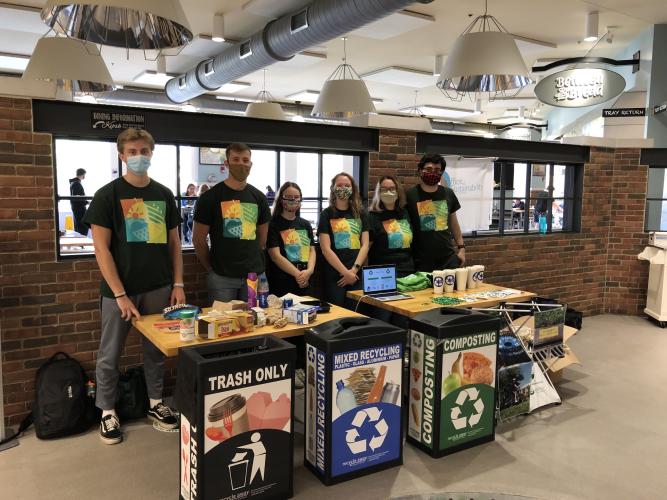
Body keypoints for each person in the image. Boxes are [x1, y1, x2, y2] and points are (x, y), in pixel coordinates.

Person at [83, 128, 184, 445]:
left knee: (156, 351)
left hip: (159, 288)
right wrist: (121, 294)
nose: (139, 156)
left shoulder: (164, 194)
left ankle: (156, 404)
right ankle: (107, 412)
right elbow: (102, 249)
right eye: (133, 151)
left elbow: (175, 244)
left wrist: (178, 283)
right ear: (122, 155)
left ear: (152, 154)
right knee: (109, 354)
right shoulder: (107, 195)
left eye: (145, 150)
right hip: (119, 292)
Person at [193, 143, 270, 302]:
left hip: (254, 276)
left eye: (245, 160)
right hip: (222, 278)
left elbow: (262, 240)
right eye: (235, 159)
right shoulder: (210, 198)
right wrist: (211, 268)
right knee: (223, 324)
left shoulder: (259, 197)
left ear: (250, 164)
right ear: (226, 163)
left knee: (256, 323)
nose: (241, 164)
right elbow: (198, 240)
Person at [318, 172, 370, 307]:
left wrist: (353, 271)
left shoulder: (361, 213)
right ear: (333, 188)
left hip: (356, 274)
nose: (343, 188)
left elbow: (365, 245)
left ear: (353, 189)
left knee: (356, 315)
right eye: (339, 185)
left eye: (347, 185)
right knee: (337, 315)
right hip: (335, 276)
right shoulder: (326, 214)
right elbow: (325, 249)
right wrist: (345, 273)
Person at [406, 154, 465, 271]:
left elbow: (454, 223)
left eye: (437, 170)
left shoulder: (448, 194)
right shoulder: (410, 195)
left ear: (442, 172)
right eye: (428, 169)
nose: (433, 172)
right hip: (421, 260)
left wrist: (462, 248)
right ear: (420, 170)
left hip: (448, 258)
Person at [266, 182, 316, 297]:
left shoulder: (305, 224)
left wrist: (310, 271)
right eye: (288, 197)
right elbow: (275, 256)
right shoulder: (273, 224)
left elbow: (311, 250)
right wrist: (299, 275)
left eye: (296, 197)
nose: (293, 200)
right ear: (281, 200)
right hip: (282, 282)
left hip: (305, 280)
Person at [368, 175, 415, 277]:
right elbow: (366, 248)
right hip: (382, 273)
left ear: (398, 192)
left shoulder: (405, 213)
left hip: (407, 271)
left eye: (392, 189)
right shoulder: (372, 217)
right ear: (379, 193)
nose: (388, 192)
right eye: (384, 189)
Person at [69, 168, 89, 236]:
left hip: (76, 209)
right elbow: (78, 198)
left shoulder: (73, 183)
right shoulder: (76, 184)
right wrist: (87, 202)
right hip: (79, 209)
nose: (84, 177)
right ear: (82, 174)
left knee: (79, 227)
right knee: (83, 227)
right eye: (84, 175)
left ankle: (80, 245)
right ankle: (82, 245)